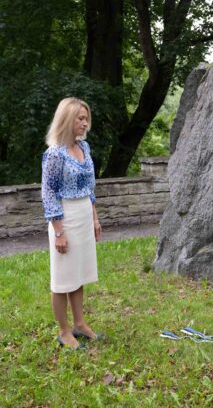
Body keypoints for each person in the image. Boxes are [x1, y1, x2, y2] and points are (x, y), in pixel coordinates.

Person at [41, 97, 103, 350]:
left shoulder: (84, 148)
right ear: (67, 119)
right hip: (64, 219)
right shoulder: (54, 153)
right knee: (62, 278)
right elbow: (48, 192)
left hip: (84, 215)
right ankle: (64, 331)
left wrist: (95, 217)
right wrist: (58, 231)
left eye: (86, 118)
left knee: (78, 274)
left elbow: (89, 187)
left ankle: (79, 323)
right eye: (80, 118)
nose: (85, 123)